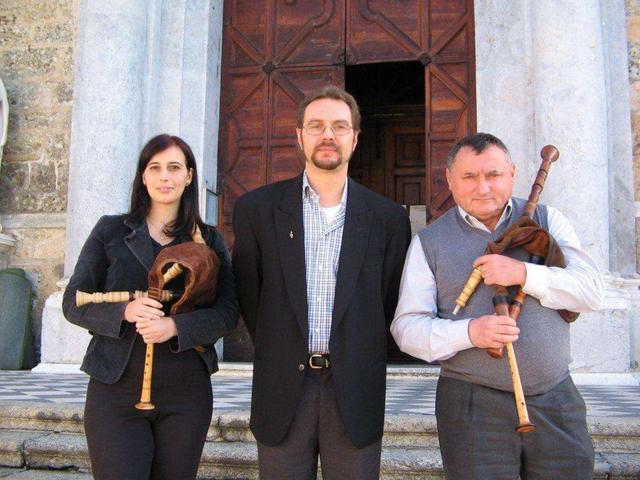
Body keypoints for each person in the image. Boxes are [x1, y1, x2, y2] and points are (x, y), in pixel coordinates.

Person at [391, 132, 604, 479]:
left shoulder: (549, 220)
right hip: (471, 406)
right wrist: (471, 332)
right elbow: (407, 329)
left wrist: (524, 272)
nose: (483, 188)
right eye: (469, 177)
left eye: (493, 175)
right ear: (449, 179)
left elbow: (592, 291)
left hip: (555, 398)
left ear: (513, 173)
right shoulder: (429, 242)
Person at [232, 85, 411, 479]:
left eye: (339, 126)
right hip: (282, 389)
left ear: (355, 138)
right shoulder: (257, 211)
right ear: (299, 135)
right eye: (316, 126)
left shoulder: (388, 219)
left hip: (355, 391)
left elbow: (389, 299)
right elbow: (250, 295)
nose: (328, 135)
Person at [63, 134, 239, 480]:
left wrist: (175, 328)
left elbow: (228, 311)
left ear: (189, 175)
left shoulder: (210, 239)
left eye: (175, 167)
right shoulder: (110, 231)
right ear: (143, 176)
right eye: (155, 167)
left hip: (186, 390)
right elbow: (73, 302)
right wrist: (124, 311)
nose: (164, 177)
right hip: (115, 388)